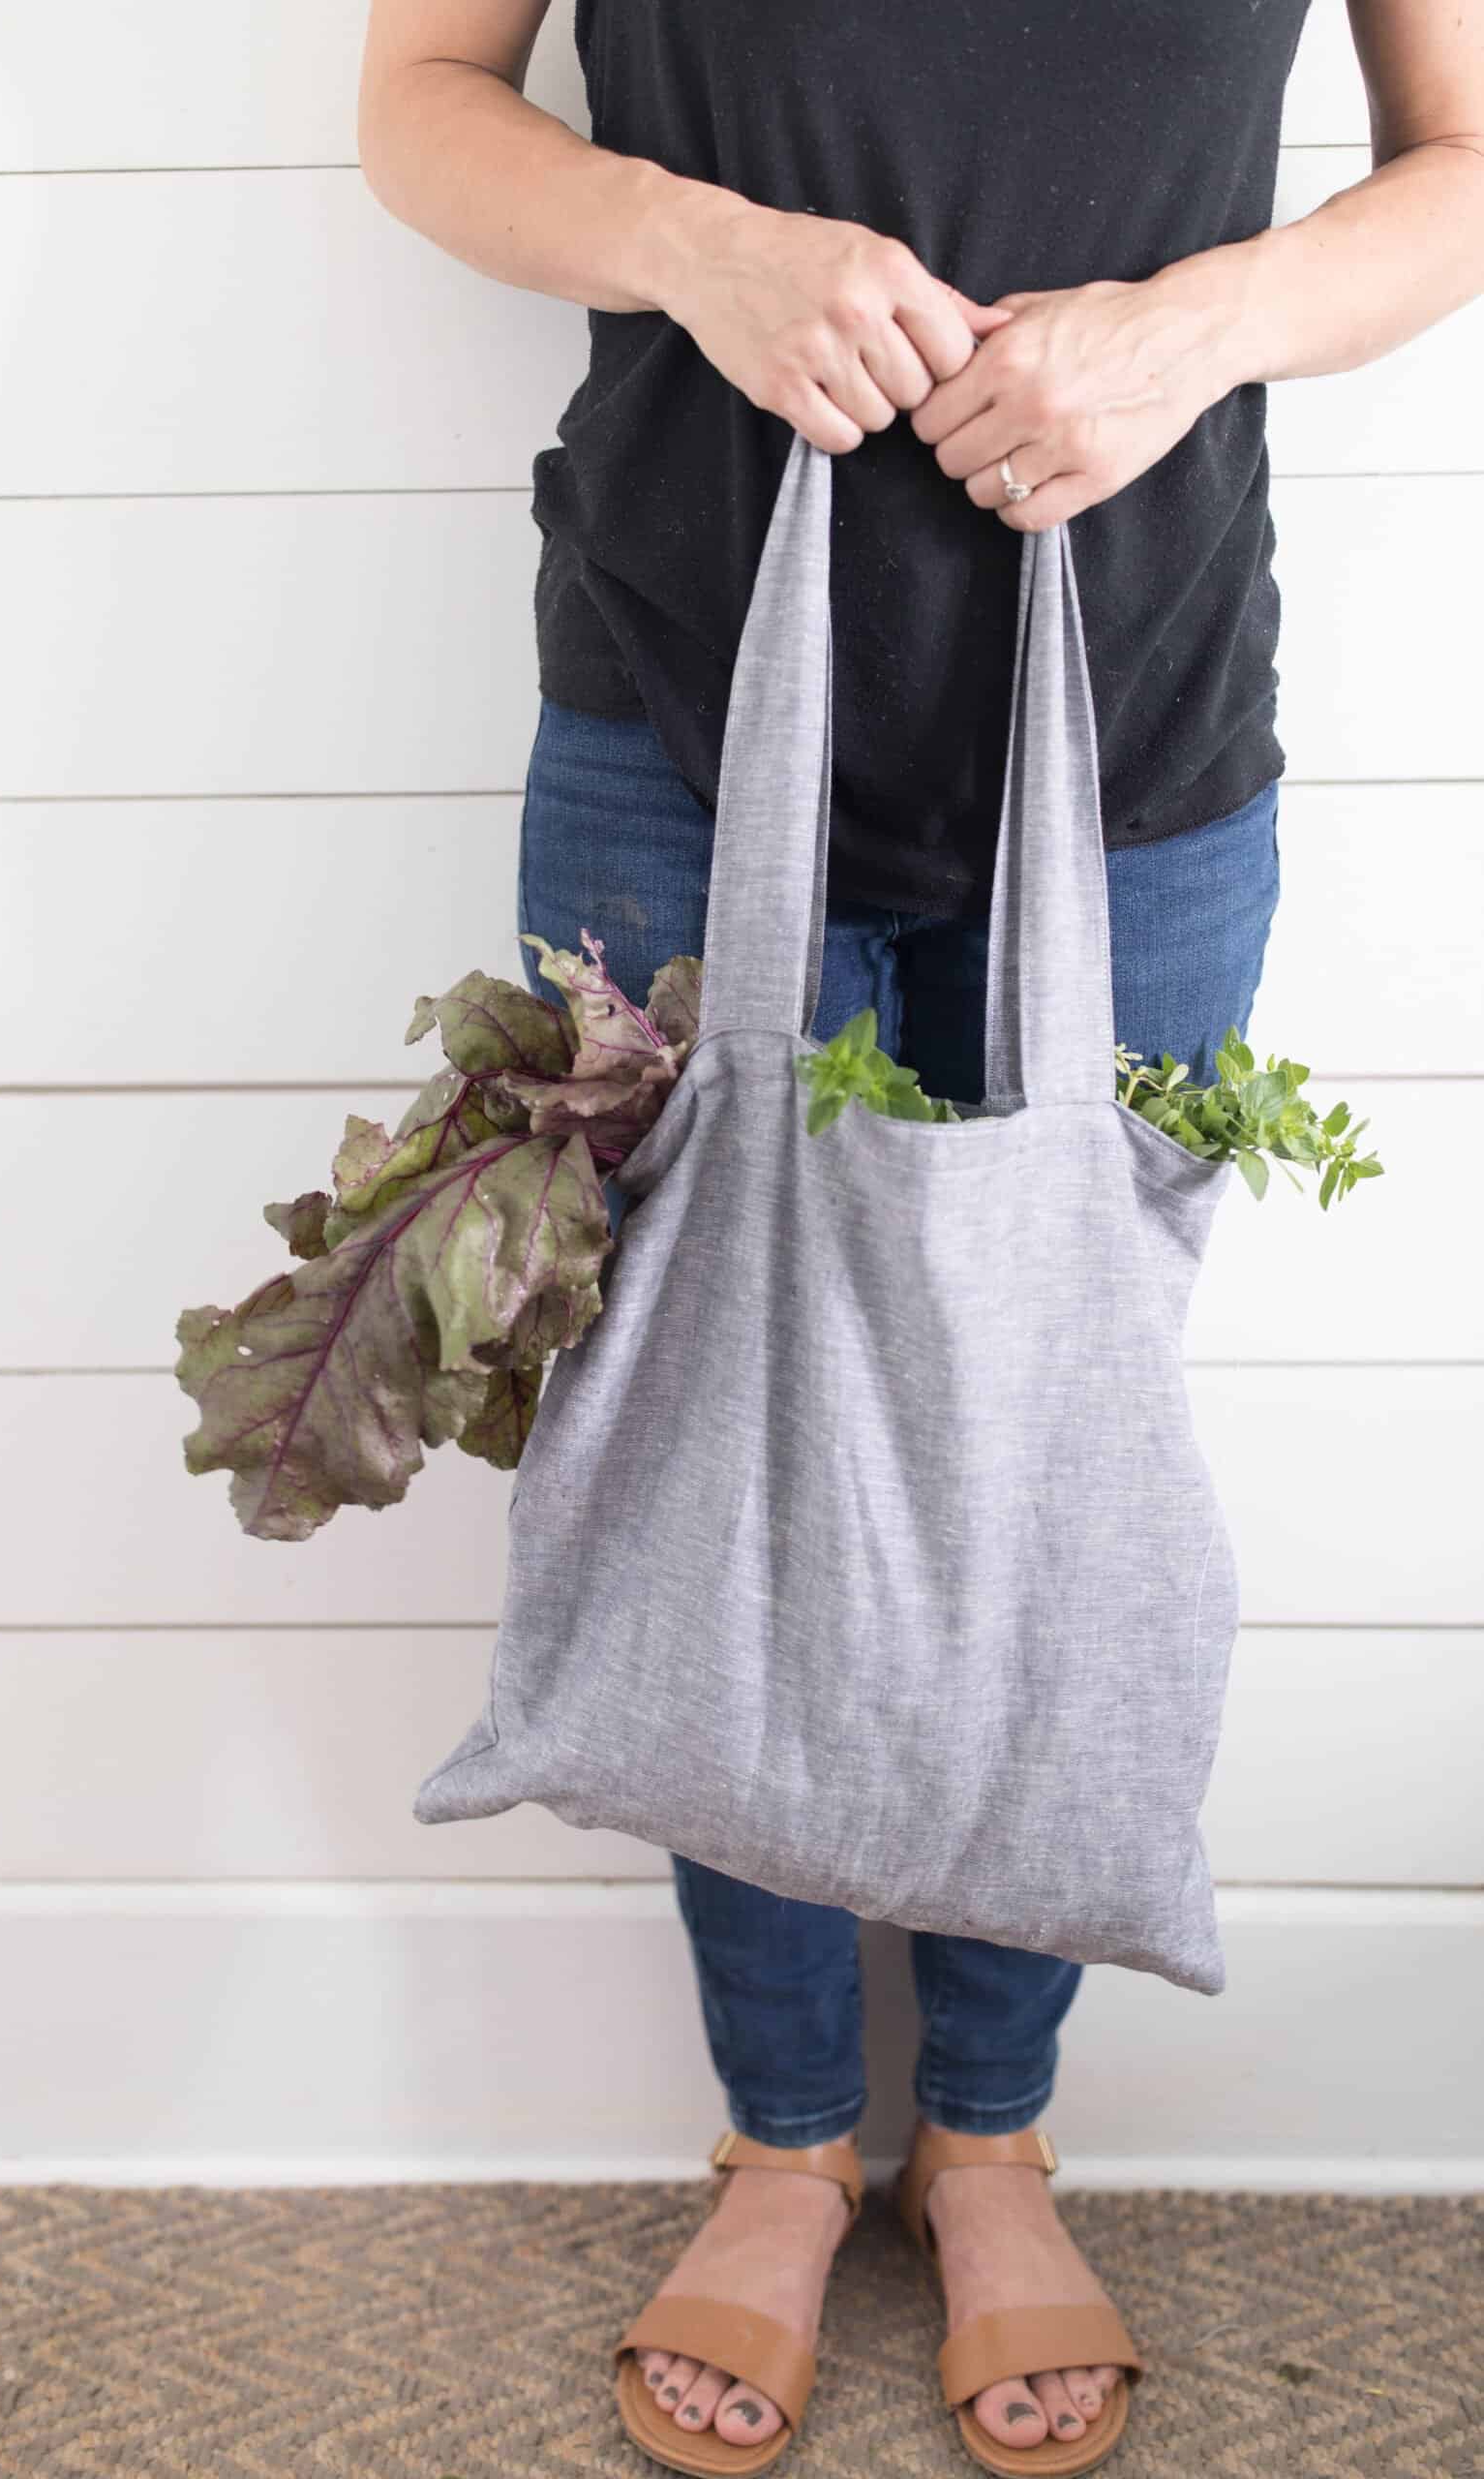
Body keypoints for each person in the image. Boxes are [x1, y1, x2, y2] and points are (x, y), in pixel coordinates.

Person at [359, 3, 1484, 2467]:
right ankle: (783, 2136)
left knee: (1024, 1458)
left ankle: (985, 2133)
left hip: (1139, 735)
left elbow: (1460, 161)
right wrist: (699, 253)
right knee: (716, 1449)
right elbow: (415, 97)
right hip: (676, 715)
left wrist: (1188, 333)